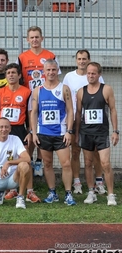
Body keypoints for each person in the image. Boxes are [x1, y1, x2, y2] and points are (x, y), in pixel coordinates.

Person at [0, 63, 41, 203]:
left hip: (19, 129)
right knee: (6, 158)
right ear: (5, 76)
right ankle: (12, 189)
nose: (11, 75)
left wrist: (30, 131)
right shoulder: (0, 92)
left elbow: (31, 113)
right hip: (3, 130)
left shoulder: (27, 92)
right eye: (8, 73)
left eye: (14, 72)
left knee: (25, 160)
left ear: (19, 75)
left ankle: (29, 192)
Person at [30, 59, 76, 206]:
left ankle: (68, 193)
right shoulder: (38, 90)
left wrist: (69, 131)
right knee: (47, 164)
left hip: (61, 133)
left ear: (57, 71)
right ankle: (52, 192)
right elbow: (34, 112)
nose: (50, 72)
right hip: (43, 133)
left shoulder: (64, 88)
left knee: (66, 164)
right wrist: (34, 132)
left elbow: (70, 111)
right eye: (48, 70)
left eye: (53, 70)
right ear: (44, 72)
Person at [18, 25, 60, 177]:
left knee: (43, 128)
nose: (35, 40)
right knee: (30, 129)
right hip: (29, 97)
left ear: (42, 38)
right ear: (28, 39)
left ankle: (39, 161)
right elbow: (20, 79)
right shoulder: (22, 57)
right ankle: (27, 161)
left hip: (46, 97)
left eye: (37, 37)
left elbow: (56, 76)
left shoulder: (50, 55)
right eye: (32, 37)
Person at [75, 62, 118, 206]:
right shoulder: (81, 91)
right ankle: (91, 192)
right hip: (86, 133)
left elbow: (113, 110)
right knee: (88, 163)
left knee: (105, 163)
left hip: (101, 133)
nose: (90, 76)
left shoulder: (106, 89)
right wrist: (76, 133)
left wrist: (115, 131)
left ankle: (111, 195)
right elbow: (78, 113)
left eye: (93, 73)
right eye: (88, 73)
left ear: (99, 74)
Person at [62, 49, 105, 195]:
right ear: (76, 60)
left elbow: (102, 97)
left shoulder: (94, 76)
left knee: (95, 152)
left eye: (84, 59)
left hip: (92, 121)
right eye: (79, 59)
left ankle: (99, 182)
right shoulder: (69, 77)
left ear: (88, 60)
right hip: (74, 119)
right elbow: (65, 97)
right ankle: (76, 182)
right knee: (75, 150)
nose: (82, 61)